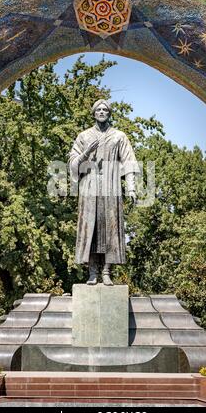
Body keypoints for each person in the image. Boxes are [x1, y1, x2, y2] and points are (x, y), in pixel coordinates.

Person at [69, 99, 140, 286]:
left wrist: (131, 187)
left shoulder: (119, 136)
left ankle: (107, 271)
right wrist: (85, 154)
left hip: (111, 188)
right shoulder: (83, 136)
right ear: (93, 113)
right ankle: (92, 272)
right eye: (98, 109)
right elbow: (73, 166)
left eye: (105, 109)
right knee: (90, 230)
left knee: (111, 229)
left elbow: (129, 162)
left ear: (109, 113)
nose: (101, 112)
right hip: (89, 189)